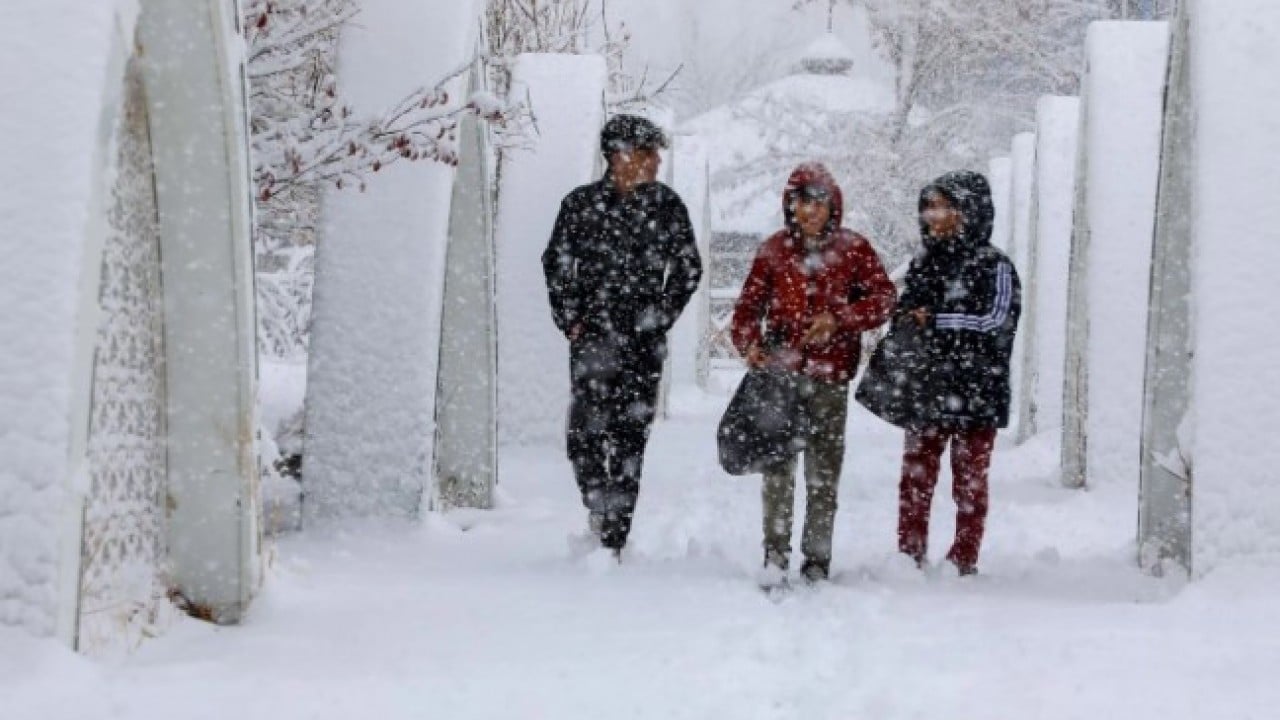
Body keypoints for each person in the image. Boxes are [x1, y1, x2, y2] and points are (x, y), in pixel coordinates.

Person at [541, 114, 703, 557]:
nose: (655, 161)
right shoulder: (580, 205)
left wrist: (660, 315)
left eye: (656, 153)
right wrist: (570, 318)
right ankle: (597, 502)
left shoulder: (667, 206)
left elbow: (690, 268)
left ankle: (615, 536)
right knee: (585, 437)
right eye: (647, 151)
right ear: (618, 155)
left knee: (630, 436)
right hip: (593, 337)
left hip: (642, 343)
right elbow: (556, 263)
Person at [730, 162, 896, 585]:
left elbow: (883, 299)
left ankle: (818, 559)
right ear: (791, 205)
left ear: (833, 206)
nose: (811, 211)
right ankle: (775, 553)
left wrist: (840, 319)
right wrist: (749, 343)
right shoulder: (773, 251)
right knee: (778, 468)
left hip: (830, 378)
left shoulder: (854, 250)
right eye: (803, 202)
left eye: (819, 202)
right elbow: (748, 308)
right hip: (779, 377)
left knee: (824, 472)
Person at [856, 171, 1021, 576]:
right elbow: (910, 312)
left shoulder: (995, 265)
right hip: (929, 387)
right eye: (929, 207)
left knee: (969, 479)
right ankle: (908, 553)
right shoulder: (924, 262)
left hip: (977, 390)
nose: (934, 216)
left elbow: (996, 322)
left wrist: (938, 321)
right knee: (915, 476)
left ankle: (964, 557)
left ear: (969, 210)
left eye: (944, 206)